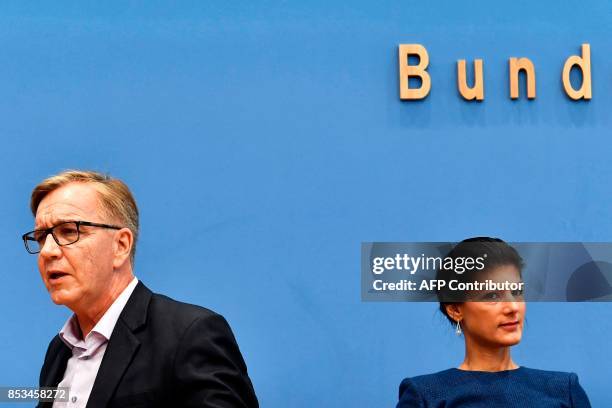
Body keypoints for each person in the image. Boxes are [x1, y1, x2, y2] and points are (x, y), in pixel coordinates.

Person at [23, 170, 258, 408]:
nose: (47, 251)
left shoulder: (189, 334)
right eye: (42, 237)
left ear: (121, 245)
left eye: (69, 231)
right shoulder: (58, 352)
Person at [396, 237, 591, 408]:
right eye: (492, 295)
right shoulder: (425, 395)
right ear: (455, 309)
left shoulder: (564, 389)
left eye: (516, 292)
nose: (512, 307)